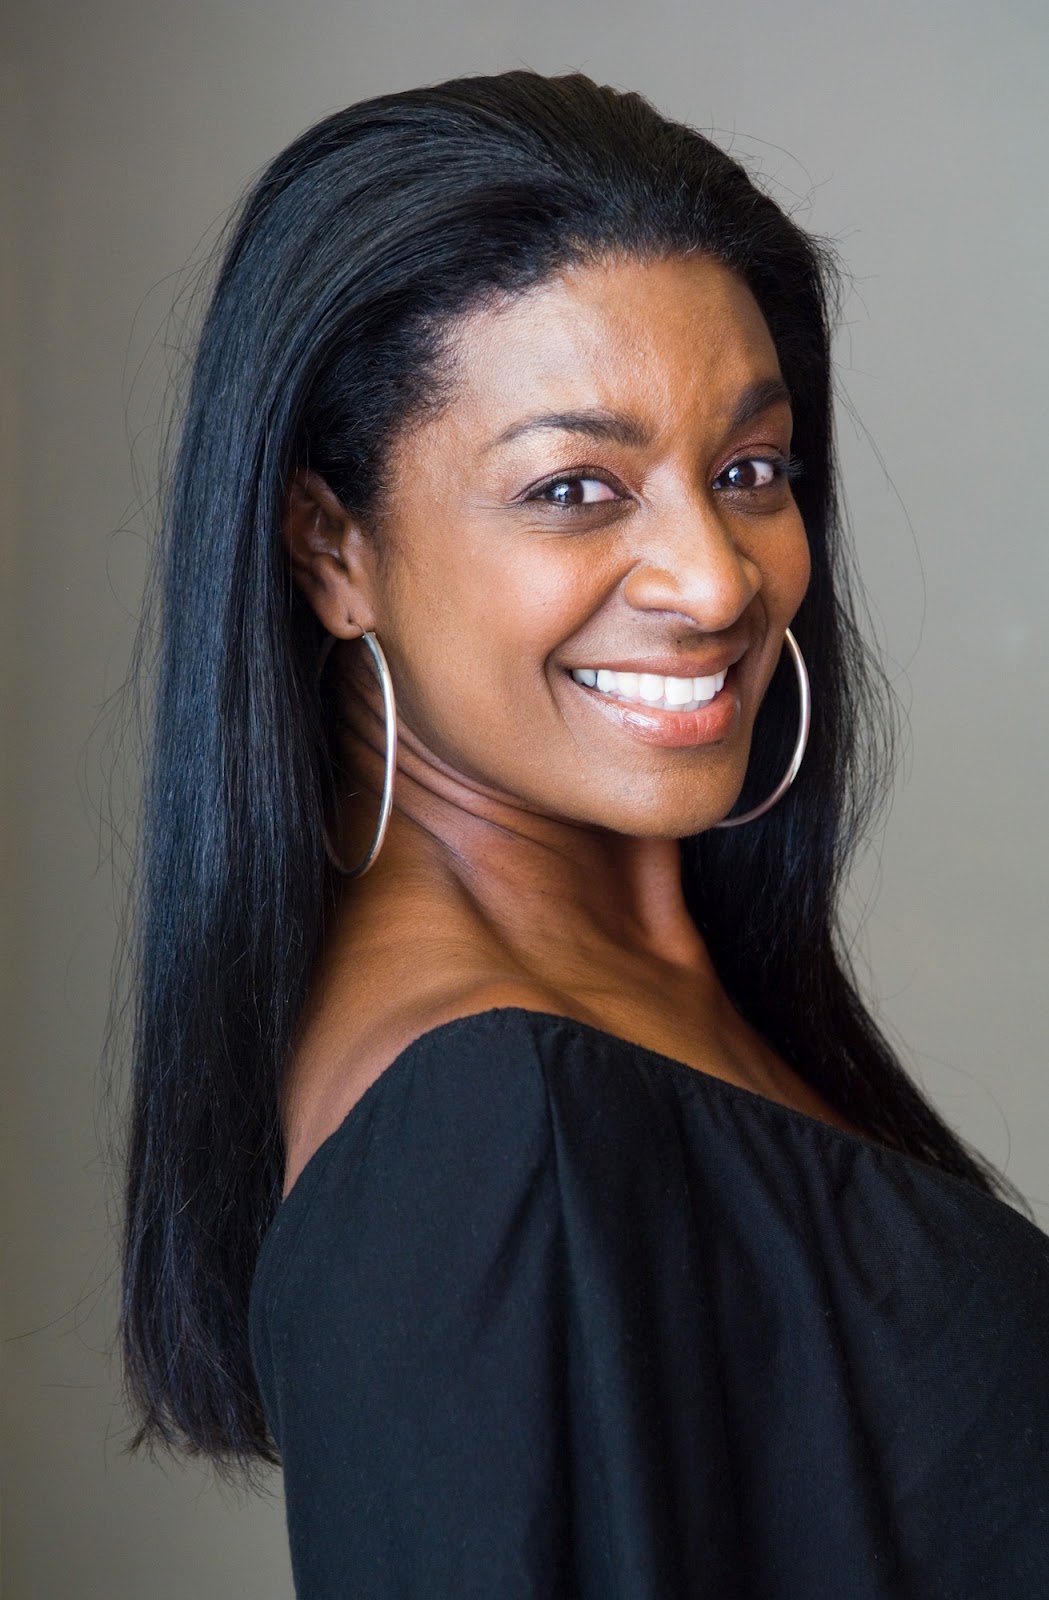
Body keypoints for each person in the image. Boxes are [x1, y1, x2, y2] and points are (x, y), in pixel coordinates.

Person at [119, 71, 1049, 1597]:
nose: (715, 578)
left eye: (746, 471)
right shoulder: (480, 1135)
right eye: (572, 488)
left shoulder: (627, 1007)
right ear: (331, 548)